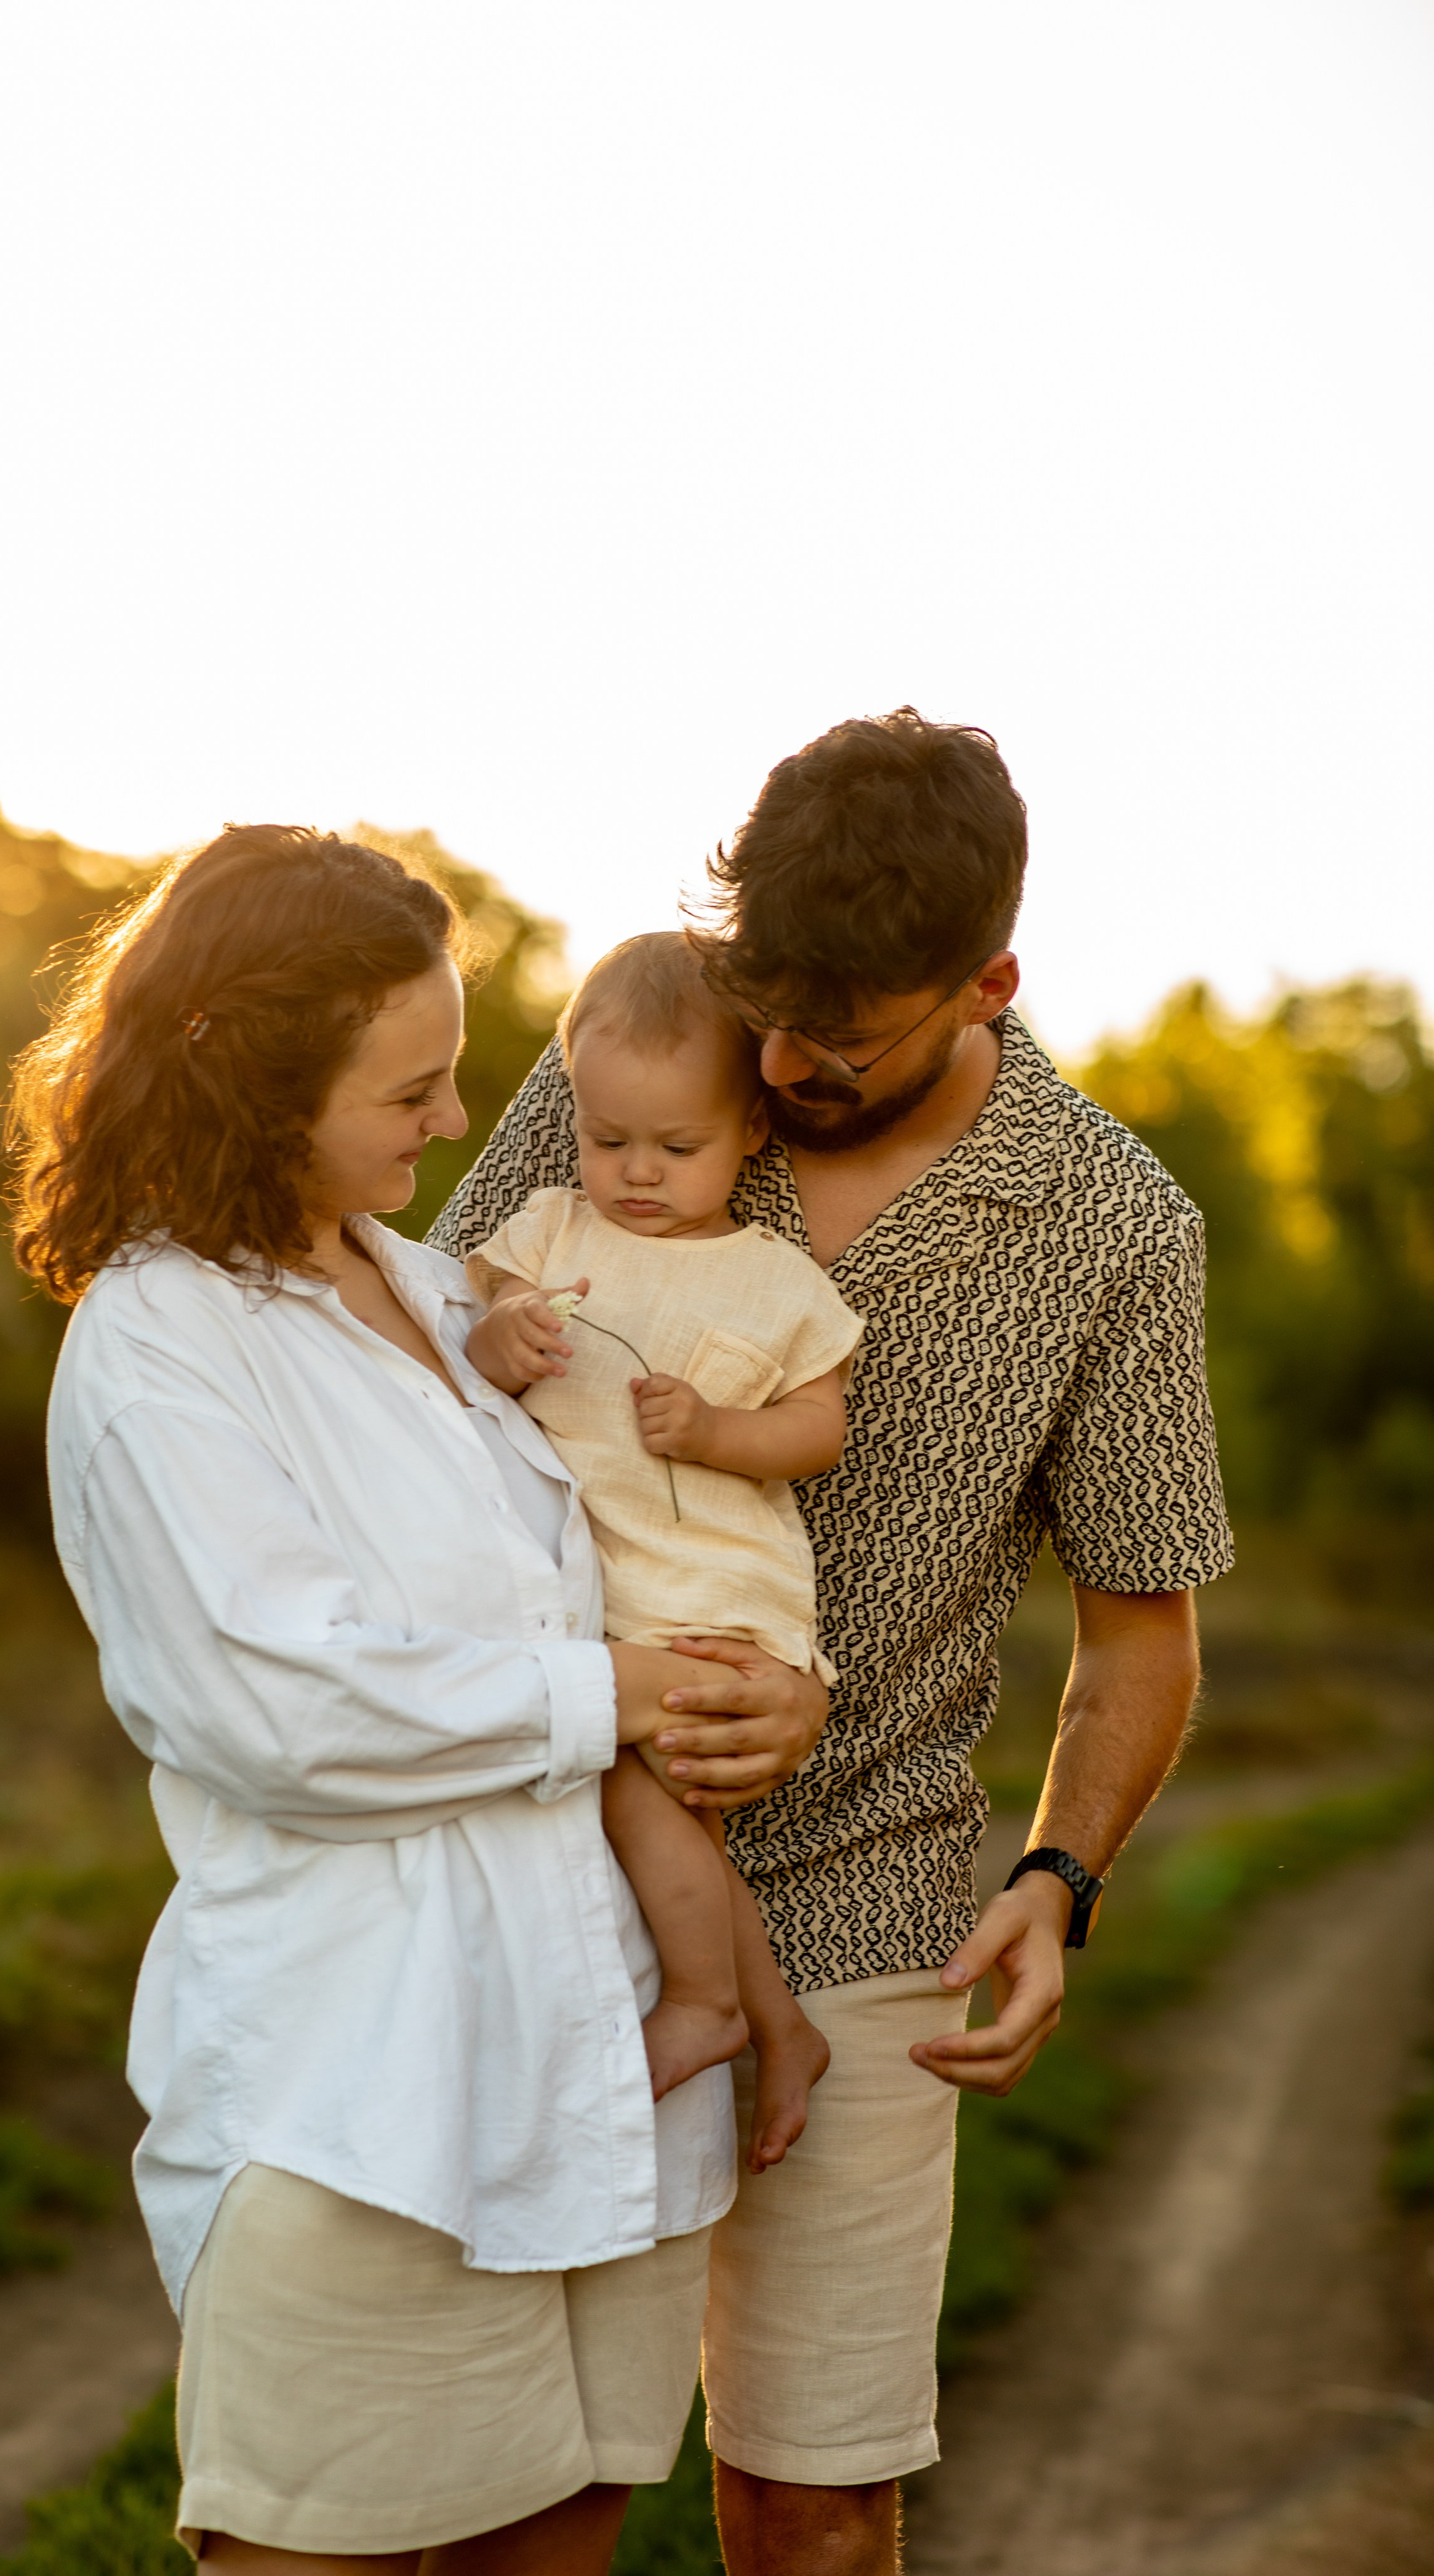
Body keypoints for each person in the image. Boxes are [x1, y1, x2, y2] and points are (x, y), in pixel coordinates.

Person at [430, 710, 1233, 2576]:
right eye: (764, 1005)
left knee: (812, 2501)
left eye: (838, 1036)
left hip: (871, 1911)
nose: (780, 1063)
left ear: (991, 983)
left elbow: (1142, 1628)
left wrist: (1059, 1879)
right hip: (546, 1867)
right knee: (524, 2490)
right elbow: (428, 1384)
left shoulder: (1113, 1226)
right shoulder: (641, 1052)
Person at [5, 825, 828, 2574]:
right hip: (361, 2090)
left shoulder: (458, 1296)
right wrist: (622, 1691)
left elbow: (652, 1560)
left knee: (559, 2541)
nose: (456, 1127)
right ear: (246, 1068)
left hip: (603, 2063)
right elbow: (283, 1708)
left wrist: (760, 1722)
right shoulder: (162, 1343)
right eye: (414, 1087)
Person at [465, 932, 862, 2171]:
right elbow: (461, 1333)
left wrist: (718, 1429)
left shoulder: (775, 1282)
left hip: (708, 1593)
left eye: (675, 1147)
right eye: (606, 1138)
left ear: (750, 1129)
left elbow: (823, 1428)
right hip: (597, 1590)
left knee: (637, 1787)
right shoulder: (544, 1232)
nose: (635, 1174)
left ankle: (710, 2003)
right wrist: (502, 1341)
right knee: (667, 1812)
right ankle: (779, 2025)